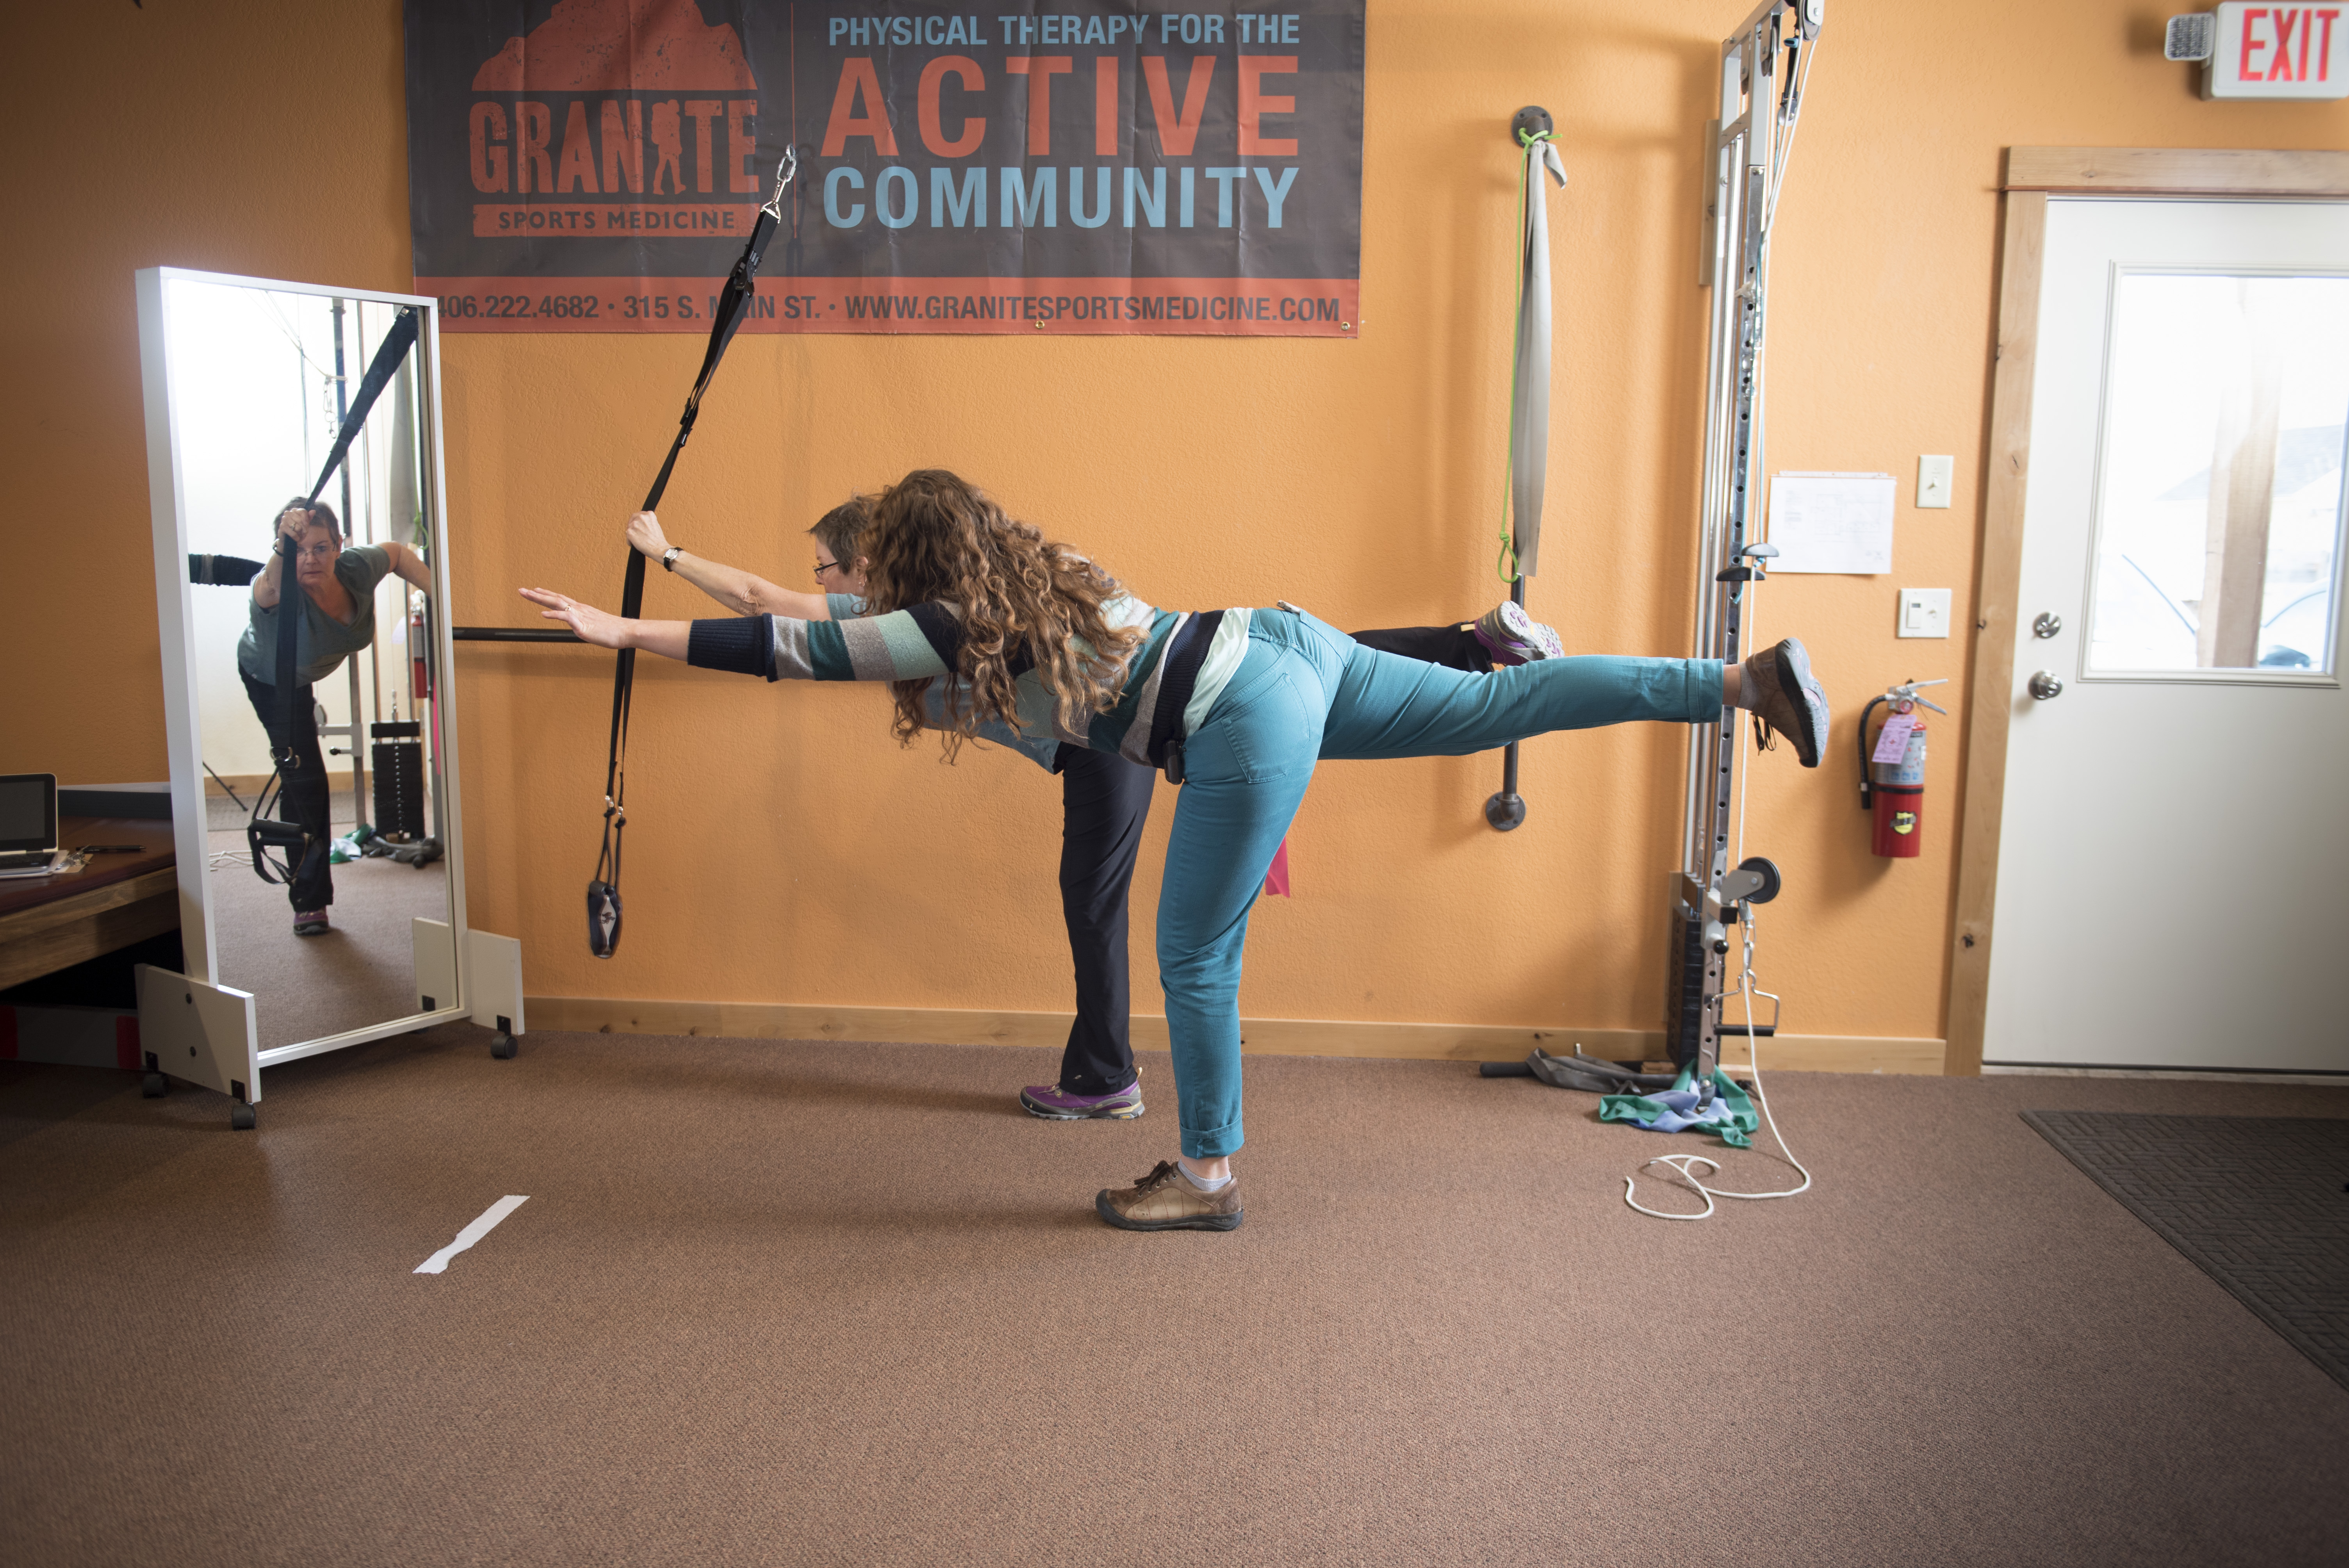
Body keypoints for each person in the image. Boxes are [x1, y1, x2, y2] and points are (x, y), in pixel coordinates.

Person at [522, 469, 1829, 1233]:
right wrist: (676, 567)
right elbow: (800, 617)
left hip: (1237, 713)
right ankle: (1735, 680)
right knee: (1504, 702)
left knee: (1194, 955)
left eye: (856, 568)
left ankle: (1205, 1175)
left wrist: (623, 628)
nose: (839, 584)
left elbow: (789, 646)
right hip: (1282, 643)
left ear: (904, 562)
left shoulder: (945, 621)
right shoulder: (1029, 575)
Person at [621, 499, 1570, 1123]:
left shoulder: (924, 618)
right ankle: (1470, 644)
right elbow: (765, 610)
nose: (820, 583)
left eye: (828, 569)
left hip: (1104, 735)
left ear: (866, 563)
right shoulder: (918, 614)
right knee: (1317, 675)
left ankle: (1106, 1076)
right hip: (1114, 721)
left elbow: (762, 607)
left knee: (1097, 894)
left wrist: (664, 559)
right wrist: (667, 569)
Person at [241, 499, 433, 935]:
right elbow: (267, 584)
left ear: (339, 546)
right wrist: (283, 544)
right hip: (270, 680)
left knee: (304, 773)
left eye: (321, 548)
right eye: (299, 550)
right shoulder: (276, 588)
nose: (310, 559)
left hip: (303, 674)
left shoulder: (355, 568)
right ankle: (309, 902)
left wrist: (445, 599)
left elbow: (398, 555)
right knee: (305, 780)